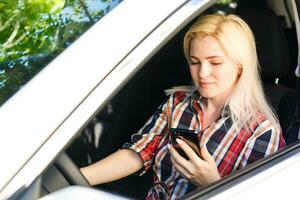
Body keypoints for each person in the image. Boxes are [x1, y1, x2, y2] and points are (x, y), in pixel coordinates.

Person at [80, 14, 286, 199]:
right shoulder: (178, 102)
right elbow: (140, 152)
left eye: (215, 63)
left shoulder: (262, 132)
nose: (203, 73)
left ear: (240, 67)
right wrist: (81, 178)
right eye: (195, 62)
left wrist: (212, 184)